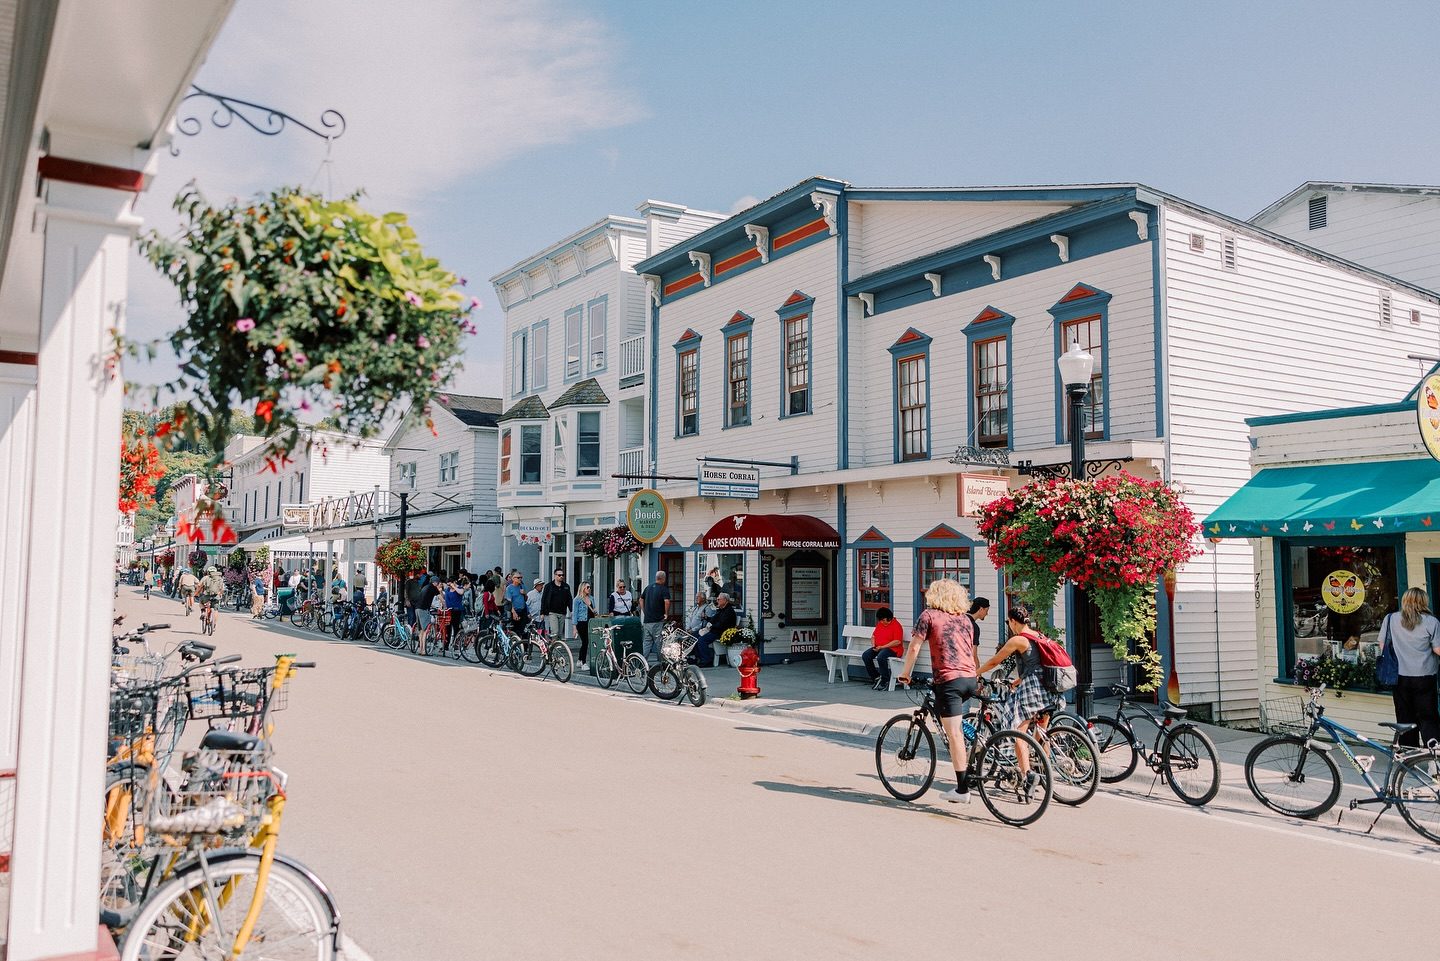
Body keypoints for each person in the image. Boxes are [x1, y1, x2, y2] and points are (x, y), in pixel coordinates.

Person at [896, 578, 979, 804]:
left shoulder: (929, 616)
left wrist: (905, 673)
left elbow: (914, 646)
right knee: (958, 725)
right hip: (970, 678)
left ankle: (962, 790)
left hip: (949, 680)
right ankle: (978, 748)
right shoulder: (966, 620)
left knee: (954, 734)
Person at [975, 602, 1062, 797]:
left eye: (1009, 623)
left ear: (1014, 621)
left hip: (1033, 690)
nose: (1009, 626)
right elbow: (1037, 664)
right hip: (1048, 689)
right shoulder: (1038, 635)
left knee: (1018, 732)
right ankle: (1043, 770)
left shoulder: (1019, 639)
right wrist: (1019, 680)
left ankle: (1027, 775)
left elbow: (995, 661)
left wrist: (976, 672)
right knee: (1042, 732)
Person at [1382, 587, 1440, 749]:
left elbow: (1383, 646)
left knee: (1405, 718)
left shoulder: (1390, 619)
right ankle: (1433, 758)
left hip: (1399, 677)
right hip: (1425, 676)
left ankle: (1409, 755)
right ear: (1423, 602)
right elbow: (1437, 649)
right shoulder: (1431, 622)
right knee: (1428, 718)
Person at [863, 607, 905, 690]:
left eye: (883, 620)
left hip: (893, 649)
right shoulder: (880, 624)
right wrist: (873, 646)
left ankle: (885, 680)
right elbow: (873, 636)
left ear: (888, 618)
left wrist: (882, 647)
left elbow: (897, 641)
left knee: (881, 657)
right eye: (880, 620)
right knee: (866, 655)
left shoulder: (896, 625)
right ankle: (876, 677)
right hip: (879, 647)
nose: (881, 622)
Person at [696, 592, 736, 666]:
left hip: (722, 632)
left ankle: (706, 660)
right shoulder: (721, 610)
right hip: (716, 630)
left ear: (725, 600)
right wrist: (706, 618)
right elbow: (714, 619)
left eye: (718, 599)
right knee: (696, 636)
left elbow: (722, 624)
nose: (717, 601)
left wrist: (711, 626)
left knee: (702, 640)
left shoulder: (729, 611)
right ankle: (699, 658)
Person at [640, 570, 671, 661]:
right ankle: (661, 665)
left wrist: (644, 611)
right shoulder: (663, 589)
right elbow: (667, 602)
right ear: (663, 578)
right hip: (657, 621)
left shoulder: (648, 587)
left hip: (647, 621)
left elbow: (641, 600)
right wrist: (666, 614)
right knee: (659, 644)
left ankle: (642, 663)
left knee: (646, 643)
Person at [541, 568, 573, 641]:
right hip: (552, 612)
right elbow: (544, 599)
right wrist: (542, 612)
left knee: (560, 633)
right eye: (559, 575)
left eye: (562, 575)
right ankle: (554, 649)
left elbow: (569, 599)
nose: (561, 576)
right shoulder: (549, 586)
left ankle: (557, 647)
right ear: (555, 576)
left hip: (562, 612)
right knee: (555, 631)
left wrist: (572, 610)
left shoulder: (566, 586)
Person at [573, 583, 596, 663]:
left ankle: (579, 660)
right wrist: (574, 627)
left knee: (586, 642)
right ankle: (583, 662)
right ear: (583, 588)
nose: (589, 589)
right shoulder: (577, 600)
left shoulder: (592, 598)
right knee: (585, 642)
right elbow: (575, 614)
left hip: (590, 622)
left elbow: (594, 610)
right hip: (581, 622)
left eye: (590, 587)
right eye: (587, 587)